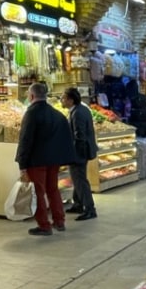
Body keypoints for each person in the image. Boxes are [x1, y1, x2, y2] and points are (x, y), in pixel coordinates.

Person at [15, 83, 77, 236]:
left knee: (38, 192)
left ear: (31, 96)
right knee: (53, 190)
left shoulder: (32, 113)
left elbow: (25, 139)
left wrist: (22, 163)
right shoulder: (57, 114)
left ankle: (44, 225)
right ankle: (59, 221)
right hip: (53, 161)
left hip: (37, 161)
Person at [61, 87, 98, 221]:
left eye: (64, 98)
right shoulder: (81, 109)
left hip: (80, 152)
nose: (62, 100)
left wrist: (75, 155)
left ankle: (89, 209)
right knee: (78, 178)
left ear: (70, 100)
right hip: (83, 151)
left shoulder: (77, 113)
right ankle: (78, 204)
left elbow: (79, 136)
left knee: (80, 180)